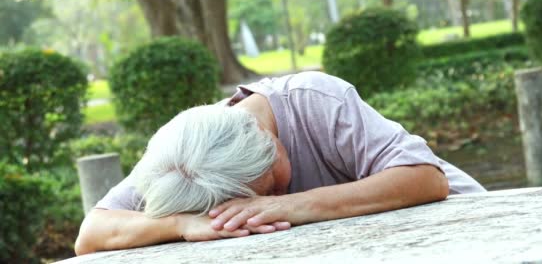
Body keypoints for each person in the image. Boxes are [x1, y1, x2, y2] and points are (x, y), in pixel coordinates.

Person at [75, 71, 485, 255]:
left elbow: (426, 180)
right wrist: (181, 223)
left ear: (268, 140)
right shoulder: (181, 155)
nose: (264, 203)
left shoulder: (317, 99)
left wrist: (287, 205)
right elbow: (92, 233)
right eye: (247, 202)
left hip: (472, 232)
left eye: (269, 185)